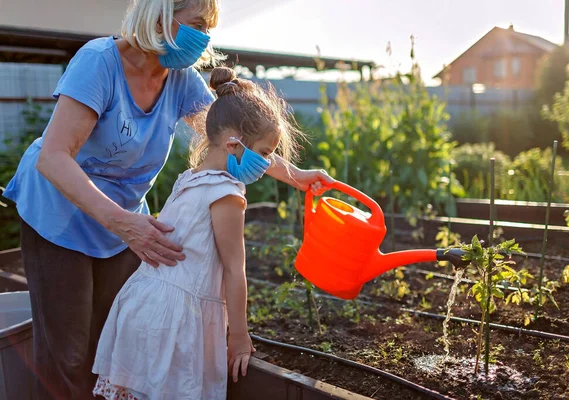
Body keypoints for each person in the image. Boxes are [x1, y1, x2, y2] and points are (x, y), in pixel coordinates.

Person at [2, 0, 331, 398]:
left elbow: (237, 137)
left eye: (209, 28)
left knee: (115, 340)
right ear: (158, 16)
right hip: (59, 213)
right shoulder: (99, 63)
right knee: (67, 354)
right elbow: (54, 158)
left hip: (124, 222)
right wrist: (123, 223)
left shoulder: (179, 78)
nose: (204, 38)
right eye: (196, 23)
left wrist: (295, 175)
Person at [93, 65, 296, 400]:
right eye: (263, 153)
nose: (266, 163)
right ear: (233, 144)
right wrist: (239, 336)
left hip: (142, 306)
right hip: (176, 322)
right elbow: (234, 268)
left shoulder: (188, 179)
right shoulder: (227, 193)